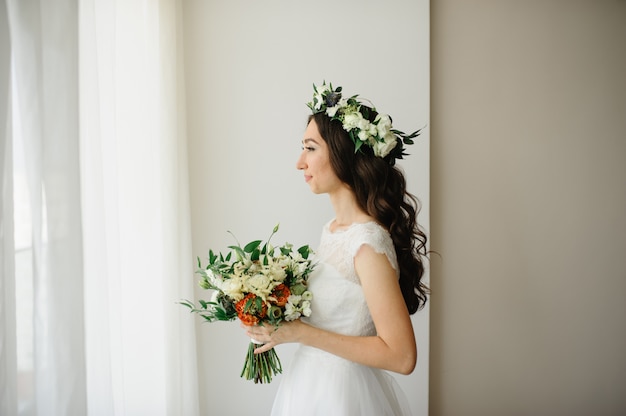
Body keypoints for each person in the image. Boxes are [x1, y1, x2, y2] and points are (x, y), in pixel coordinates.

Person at [245, 82, 429, 416]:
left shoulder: (367, 244)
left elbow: (402, 357)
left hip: (343, 397)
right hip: (307, 388)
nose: (300, 162)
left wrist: (302, 333)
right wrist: (271, 317)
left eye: (310, 148)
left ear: (344, 155)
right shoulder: (331, 231)